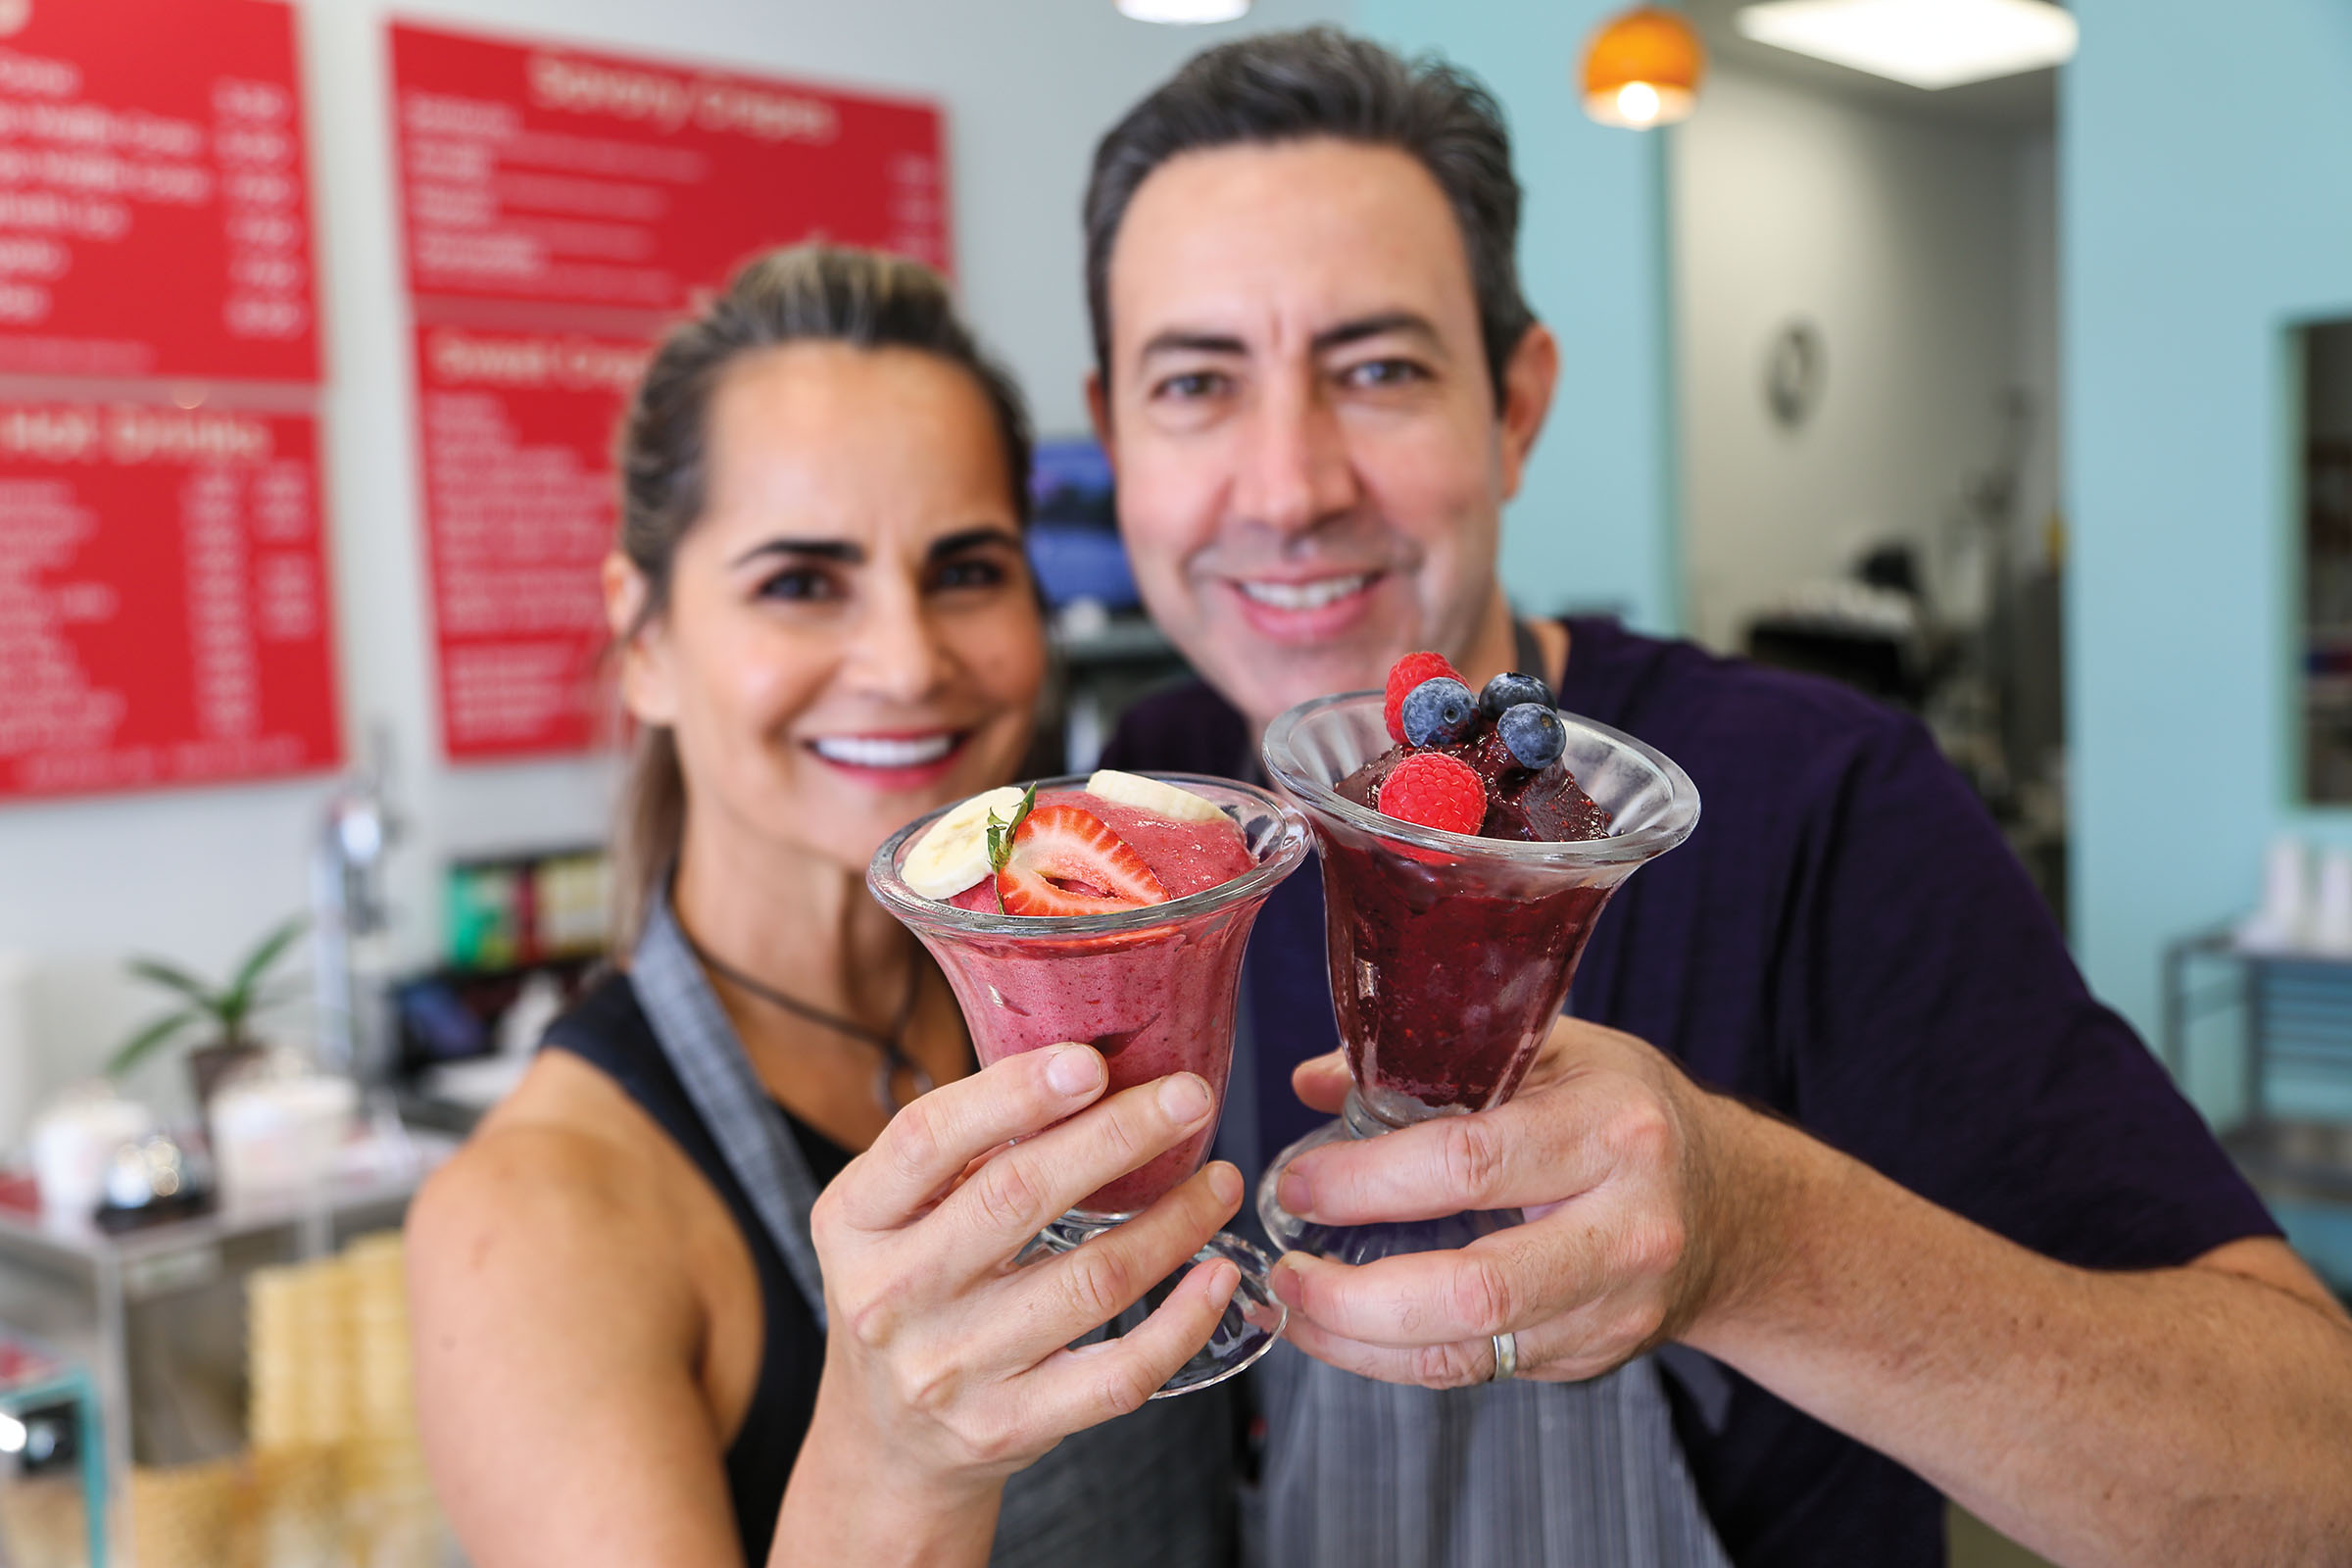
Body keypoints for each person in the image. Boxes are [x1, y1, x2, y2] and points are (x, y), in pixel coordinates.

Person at [1084, 28, 2352, 1568]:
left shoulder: (1823, 800)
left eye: (1378, 369)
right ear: (1114, 435)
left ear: (1519, 407)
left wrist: (1760, 1241)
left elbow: (2312, 1478)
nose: (1286, 487)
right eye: (1196, 383)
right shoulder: (1135, 815)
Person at [406, 246, 1251, 1568]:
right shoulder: (535, 1221)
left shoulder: (1102, 1003)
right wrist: (895, 1464)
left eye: (967, 569)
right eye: (800, 583)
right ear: (647, 644)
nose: (908, 662)